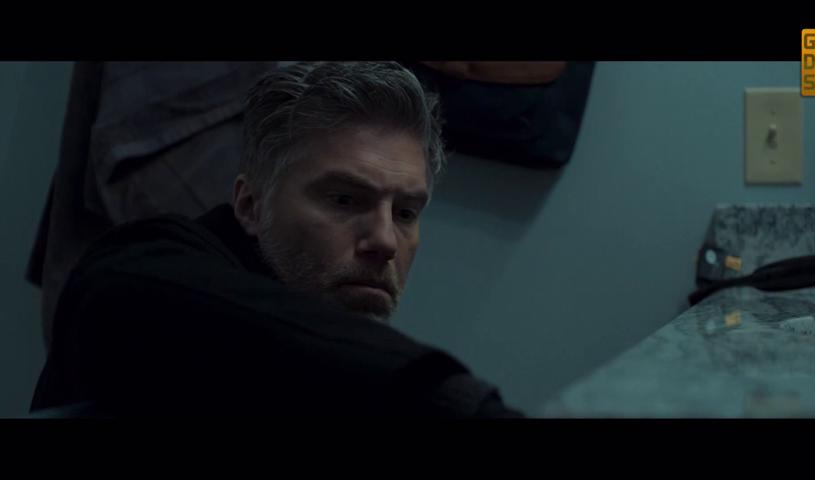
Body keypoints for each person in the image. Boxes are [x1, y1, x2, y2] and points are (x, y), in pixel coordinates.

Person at [30, 61, 524, 418]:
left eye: (406, 212)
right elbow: (128, 287)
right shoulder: (147, 265)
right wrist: (445, 399)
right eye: (344, 199)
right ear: (250, 205)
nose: (385, 240)